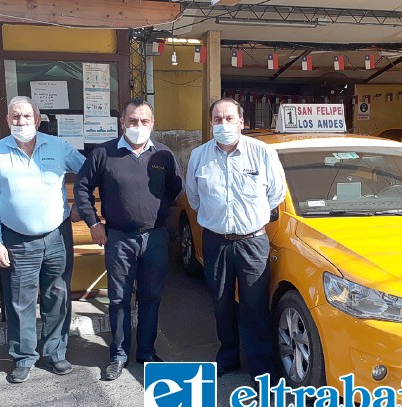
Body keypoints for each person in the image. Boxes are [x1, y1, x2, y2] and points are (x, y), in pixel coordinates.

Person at [74, 98, 183, 381]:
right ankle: (118, 354)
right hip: (119, 239)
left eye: (144, 121)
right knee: (119, 299)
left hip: (155, 238)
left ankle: (146, 352)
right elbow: (82, 189)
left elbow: (175, 189)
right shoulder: (104, 154)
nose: (138, 126)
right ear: (122, 123)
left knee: (151, 297)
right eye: (132, 121)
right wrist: (94, 223)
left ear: (152, 124)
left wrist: (153, 214)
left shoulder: (164, 156)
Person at [0, 96, 85, 383]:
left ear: (37, 120)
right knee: (19, 301)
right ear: (8, 120)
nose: (21, 122)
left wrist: (81, 205)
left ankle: (55, 353)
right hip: (16, 240)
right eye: (16, 117)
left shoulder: (59, 147)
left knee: (58, 296)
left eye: (27, 116)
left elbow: (90, 173)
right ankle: (23, 357)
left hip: (56, 236)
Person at [185, 98, 286, 381]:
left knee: (254, 306)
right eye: (218, 119)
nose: (224, 124)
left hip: (252, 242)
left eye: (230, 118)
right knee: (221, 303)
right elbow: (193, 197)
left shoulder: (262, 153)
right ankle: (228, 355)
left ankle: (261, 368)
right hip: (216, 241)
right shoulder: (199, 157)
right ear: (211, 124)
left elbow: (276, 194)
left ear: (241, 122)